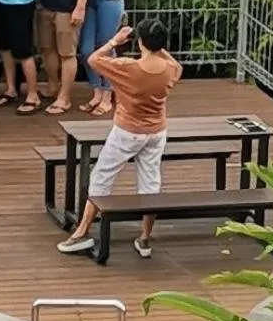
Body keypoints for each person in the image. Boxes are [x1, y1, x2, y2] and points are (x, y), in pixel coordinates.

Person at [57, 20, 181, 259]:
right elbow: (175, 64)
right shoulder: (170, 70)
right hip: (156, 132)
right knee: (150, 181)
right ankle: (144, 238)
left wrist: (115, 41)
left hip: (127, 130)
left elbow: (93, 60)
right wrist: (158, 45)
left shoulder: (127, 67)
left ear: (140, 42)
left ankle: (82, 232)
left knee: (102, 177)